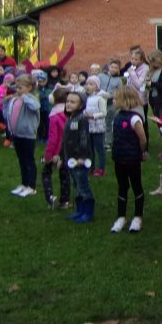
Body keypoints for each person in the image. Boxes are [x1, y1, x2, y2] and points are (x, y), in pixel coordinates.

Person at [109, 86, 148, 233]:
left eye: (115, 98)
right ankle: (121, 216)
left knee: (136, 185)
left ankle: (138, 217)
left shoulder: (135, 118)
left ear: (125, 100)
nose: (113, 101)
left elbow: (142, 139)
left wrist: (141, 152)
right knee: (122, 186)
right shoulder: (117, 116)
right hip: (119, 157)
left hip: (132, 158)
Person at [61, 89, 96, 224]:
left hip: (80, 159)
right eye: (67, 101)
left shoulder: (81, 119)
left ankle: (88, 212)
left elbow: (84, 138)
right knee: (76, 185)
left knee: (83, 185)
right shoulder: (70, 118)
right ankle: (79, 210)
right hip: (71, 159)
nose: (69, 104)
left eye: (73, 102)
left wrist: (82, 157)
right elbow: (66, 139)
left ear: (81, 105)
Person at [4, 74, 40, 197]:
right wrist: (6, 102)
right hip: (16, 134)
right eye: (17, 87)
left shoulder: (32, 99)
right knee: (22, 160)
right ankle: (24, 184)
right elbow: (9, 113)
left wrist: (25, 96)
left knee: (29, 160)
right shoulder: (16, 99)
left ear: (29, 87)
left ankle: (32, 186)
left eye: (21, 88)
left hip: (28, 135)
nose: (18, 90)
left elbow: (35, 107)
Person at [41, 85, 72, 210]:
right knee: (65, 175)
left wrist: (48, 155)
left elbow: (53, 138)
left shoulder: (54, 116)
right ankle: (65, 201)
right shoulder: (71, 114)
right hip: (68, 149)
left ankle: (50, 197)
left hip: (57, 152)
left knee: (46, 173)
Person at [81, 76, 107, 179]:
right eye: (87, 84)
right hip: (88, 126)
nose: (88, 86)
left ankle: (101, 168)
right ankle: (91, 167)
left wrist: (93, 116)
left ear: (97, 87)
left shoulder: (100, 99)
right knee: (89, 148)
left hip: (98, 127)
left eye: (91, 84)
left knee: (99, 148)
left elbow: (104, 113)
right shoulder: (86, 98)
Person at [124, 47, 149, 123]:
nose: (133, 61)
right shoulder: (132, 67)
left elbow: (139, 84)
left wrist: (132, 73)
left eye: (136, 59)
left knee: (141, 120)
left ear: (141, 60)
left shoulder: (145, 68)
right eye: (132, 59)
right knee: (130, 119)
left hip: (140, 99)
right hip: (130, 97)